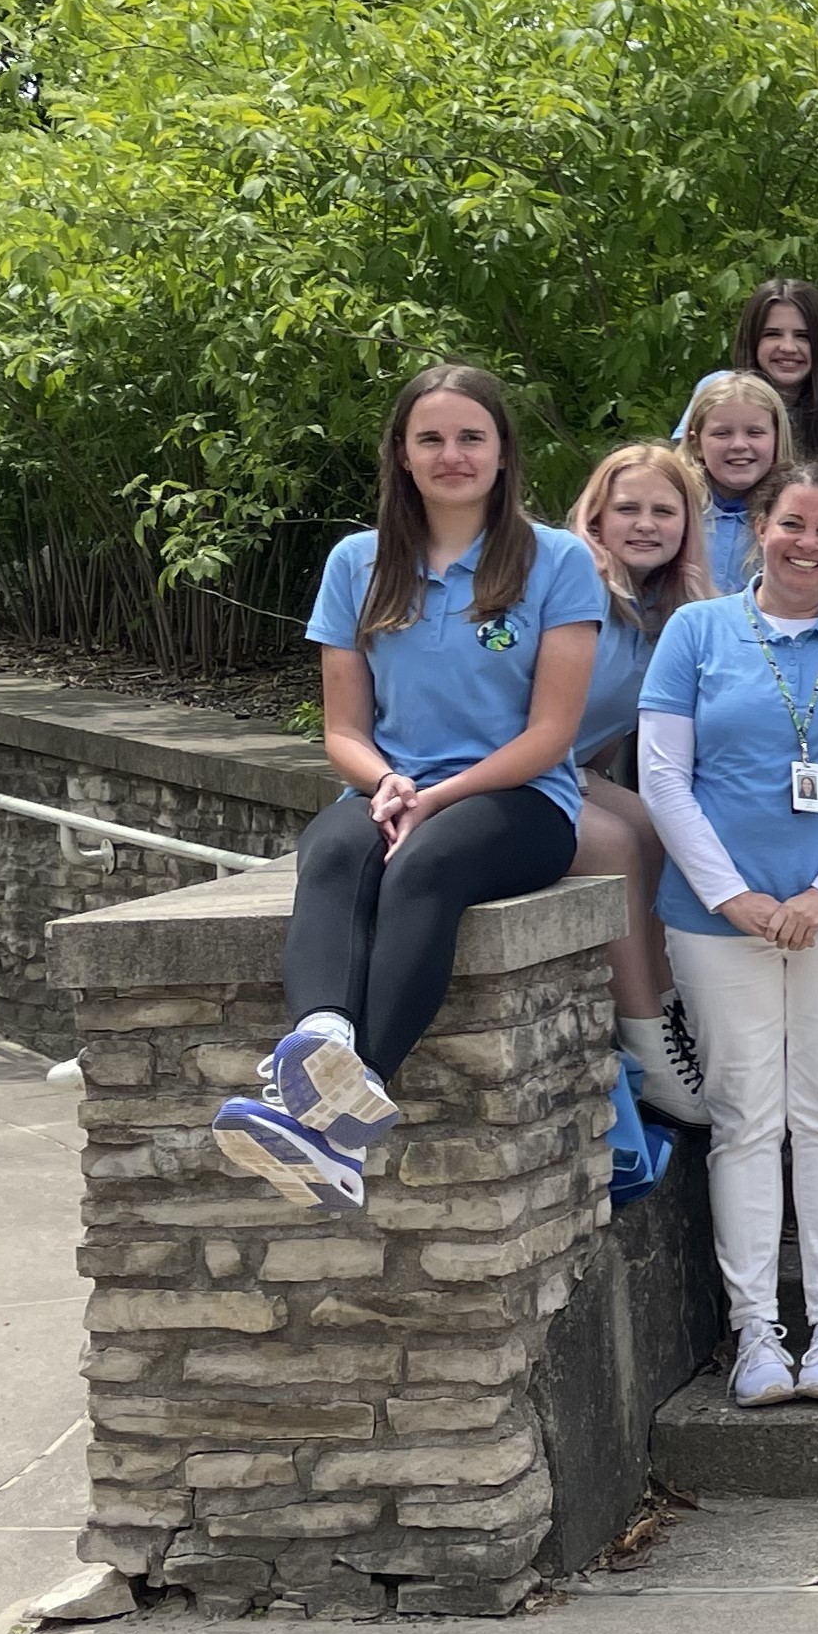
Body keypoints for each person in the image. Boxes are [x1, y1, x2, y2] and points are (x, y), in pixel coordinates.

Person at [211, 365, 606, 1214]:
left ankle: (335, 1123)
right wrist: (389, 782)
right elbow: (343, 730)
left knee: (425, 867)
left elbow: (550, 733)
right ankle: (320, 1042)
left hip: (520, 798)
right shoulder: (358, 563)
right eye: (431, 438)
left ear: (503, 453)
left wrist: (437, 795)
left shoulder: (559, 562)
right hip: (390, 792)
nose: (451, 454)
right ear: (401, 452)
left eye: (471, 437)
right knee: (330, 851)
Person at [637, 462, 818, 1405]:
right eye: (791, 523)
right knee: (746, 1120)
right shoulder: (696, 630)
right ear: (759, 525)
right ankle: (757, 1330)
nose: (807, 544)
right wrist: (732, 897)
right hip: (716, 922)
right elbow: (663, 778)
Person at [565, 440, 714, 1124]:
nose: (645, 522)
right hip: (491, 769)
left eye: (664, 508)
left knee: (656, 824)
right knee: (615, 842)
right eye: (627, 507)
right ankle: (647, 1043)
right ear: (595, 517)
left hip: (566, 768)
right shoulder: (572, 584)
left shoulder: (668, 608)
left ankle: (669, 1001)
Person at [681, 280, 818, 487]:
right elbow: (682, 469)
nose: (788, 347)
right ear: (753, 340)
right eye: (772, 334)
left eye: (803, 337)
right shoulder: (716, 388)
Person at [684, 371, 791, 594]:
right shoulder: (673, 508)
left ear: (777, 438)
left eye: (755, 432)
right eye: (722, 433)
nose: (739, 445)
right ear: (696, 444)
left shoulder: (794, 516)